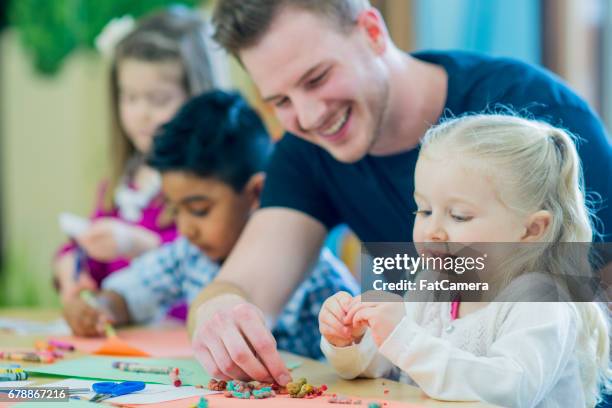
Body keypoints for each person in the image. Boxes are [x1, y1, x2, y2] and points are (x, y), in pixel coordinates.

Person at [190, 0, 612, 384]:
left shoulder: (537, 117)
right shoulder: (307, 149)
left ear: (372, 31)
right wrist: (218, 317)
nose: (309, 115)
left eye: (317, 77)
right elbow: (240, 286)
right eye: (280, 100)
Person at [319, 114, 611, 407]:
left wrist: (402, 336)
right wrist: (351, 341)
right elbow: (387, 363)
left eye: (459, 215)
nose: (432, 231)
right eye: (424, 211)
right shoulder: (433, 285)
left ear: (532, 229)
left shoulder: (543, 302)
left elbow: (510, 391)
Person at [62, 90, 358, 362]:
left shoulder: (319, 279)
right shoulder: (189, 255)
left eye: (199, 210)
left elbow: (361, 363)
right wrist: (100, 308)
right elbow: (131, 293)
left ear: (256, 193)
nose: (186, 228)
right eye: (175, 209)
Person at [54, 8, 219, 308]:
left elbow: (216, 266)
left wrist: (137, 245)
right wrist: (71, 270)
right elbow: (90, 255)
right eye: (129, 97)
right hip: (129, 339)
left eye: (159, 99)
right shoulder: (122, 183)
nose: (141, 113)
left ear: (197, 98)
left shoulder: (212, 185)